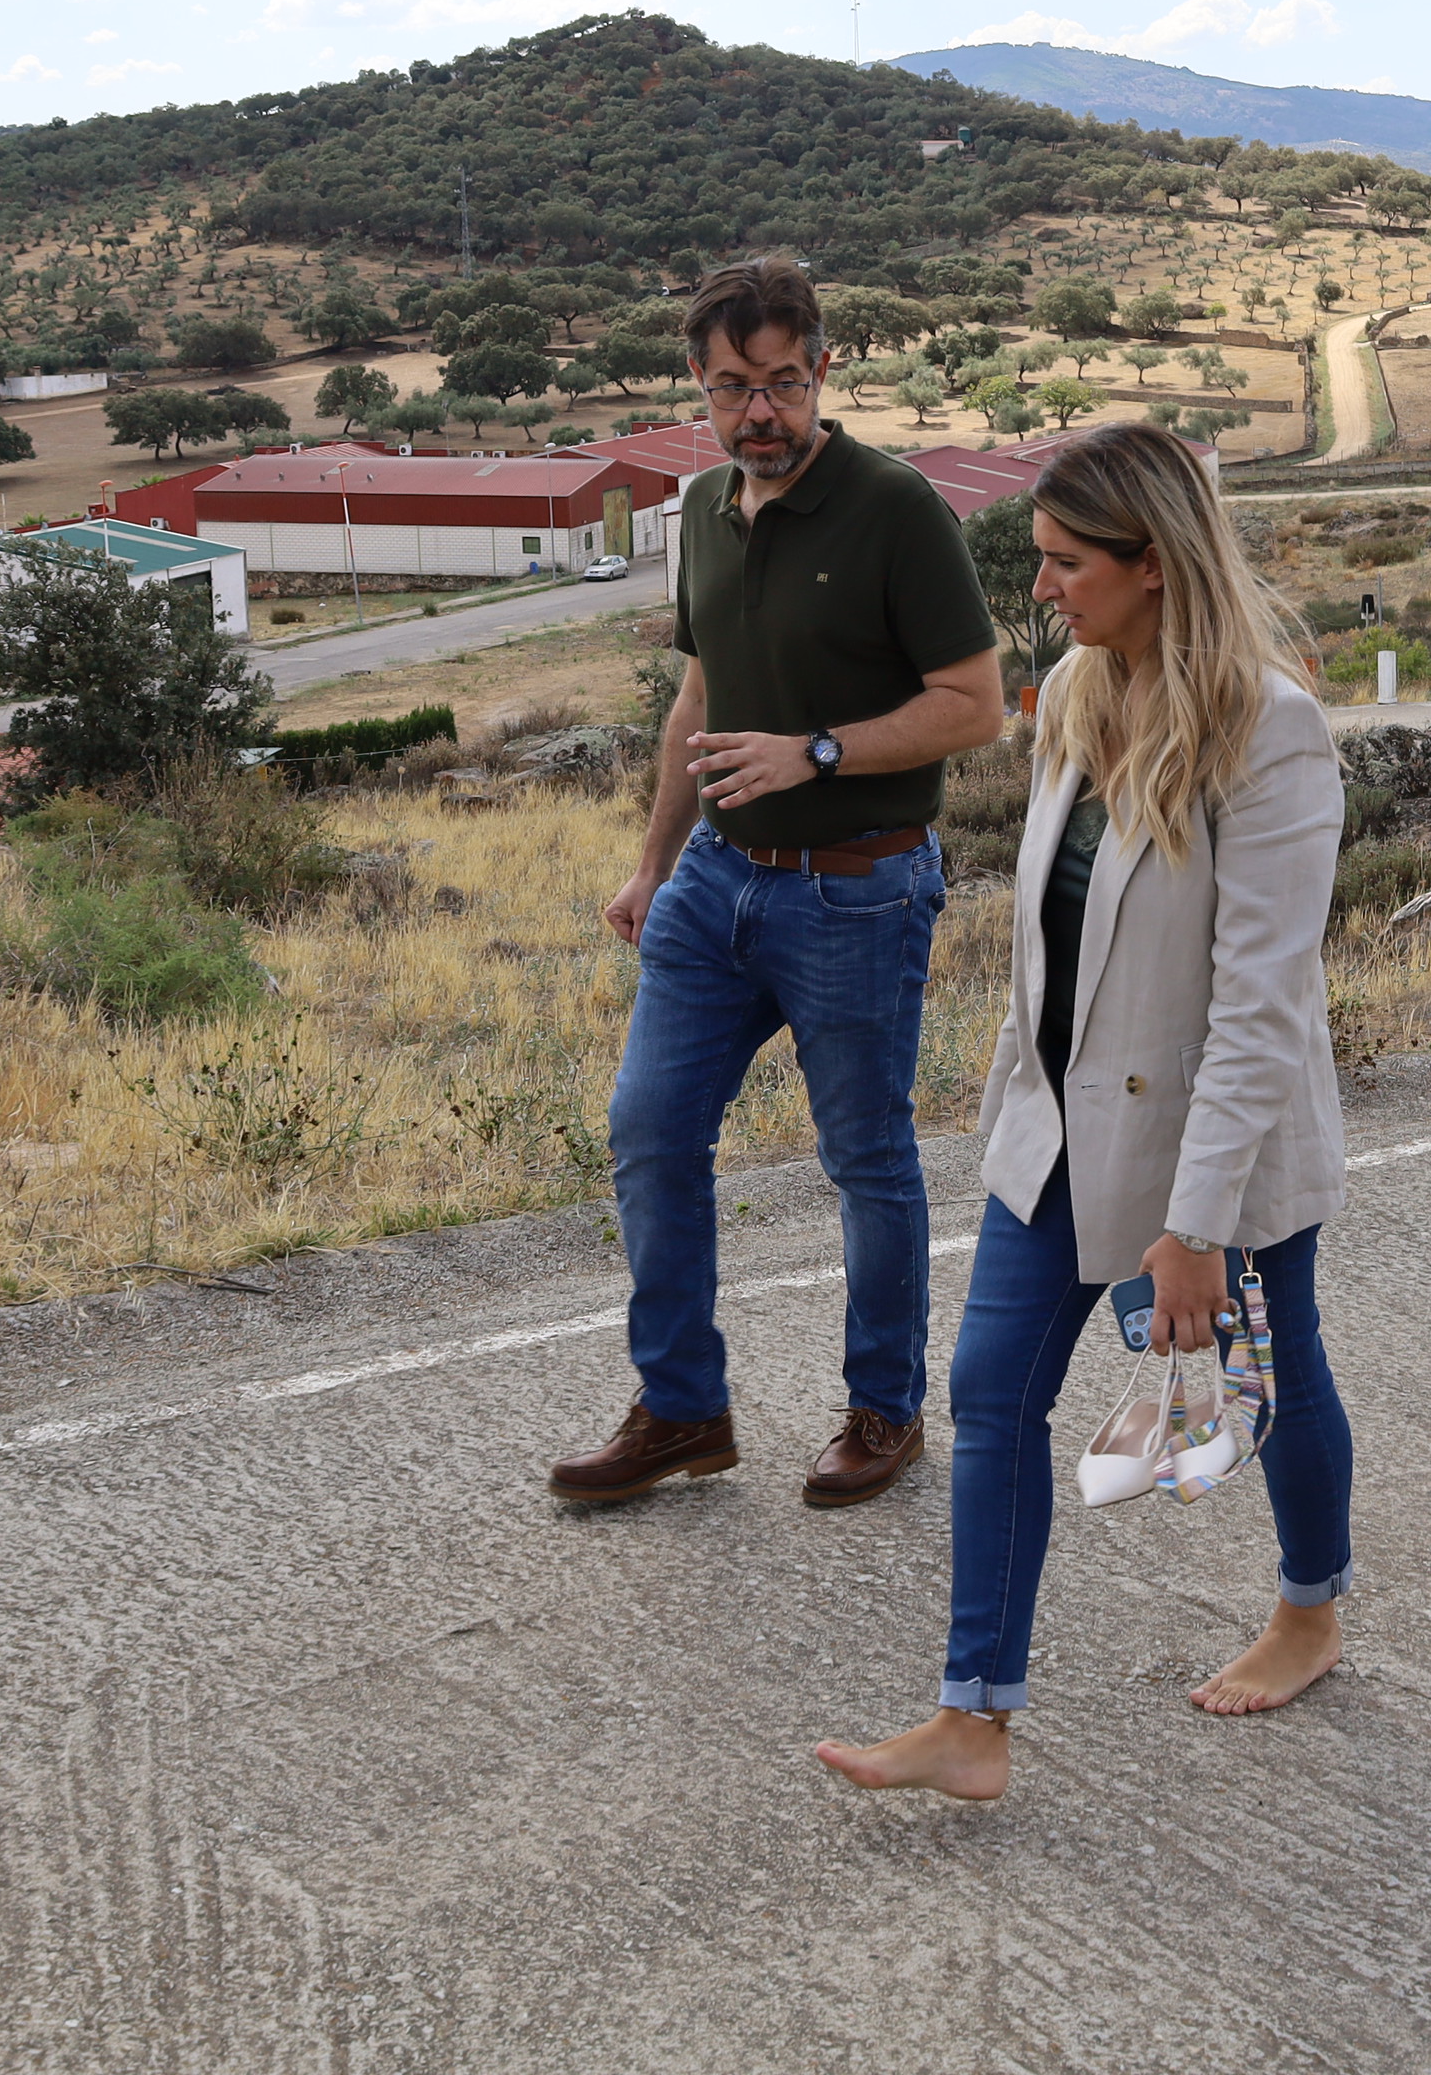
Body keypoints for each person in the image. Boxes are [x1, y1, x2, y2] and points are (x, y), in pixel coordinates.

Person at [814, 424, 1352, 1800]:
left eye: (1065, 563)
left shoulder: (1273, 733)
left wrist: (1194, 1227)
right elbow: (1058, 939)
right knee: (990, 1397)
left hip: (1206, 1148)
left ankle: (1307, 1612)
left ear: (1154, 565)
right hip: (1055, 1131)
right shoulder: (1073, 690)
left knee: (1267, 1386)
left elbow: (1260, 1008)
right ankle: (972, 1719)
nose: (1042, 587)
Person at [554, 257, 1008, 1511]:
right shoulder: (702, 508)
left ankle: (883, 1407)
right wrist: (651, 864)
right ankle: (683, 1409)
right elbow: (696, 699)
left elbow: (975, 707)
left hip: (854, 887)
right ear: (696, 389)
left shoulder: (896, 507)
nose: (757, 412)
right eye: (728, 388)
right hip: (713, 882)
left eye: (779, 383)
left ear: (824, 370)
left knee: (863, 1154)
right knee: (648, 1131)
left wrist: (813, 750)